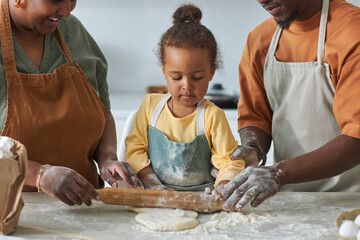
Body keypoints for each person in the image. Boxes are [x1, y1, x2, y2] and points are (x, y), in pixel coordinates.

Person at [216, 0, 360, 210]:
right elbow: (256, 118)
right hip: (289, 201)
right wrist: (253, 148)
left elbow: (356, 139)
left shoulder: (351, 31)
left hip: (350, 201)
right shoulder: (259, 39)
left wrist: (278, 173)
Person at [0, 0, 143, 206]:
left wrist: (107, 157)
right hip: (12, 215)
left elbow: (102, 110)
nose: (67, 11)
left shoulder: (72, 31)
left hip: (86, 207)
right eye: (56, 0)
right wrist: (40, 175)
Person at [125, 4, 245, 191]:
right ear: (164, 71)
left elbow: (231, 164)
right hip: (153, 197)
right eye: (177, 77)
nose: (187, 86)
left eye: (197, 77)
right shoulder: (150, 106)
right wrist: (153, 185)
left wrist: (223, 186)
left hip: (200, 199)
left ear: (212, 72)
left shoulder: (212, 116)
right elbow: (134, 151)